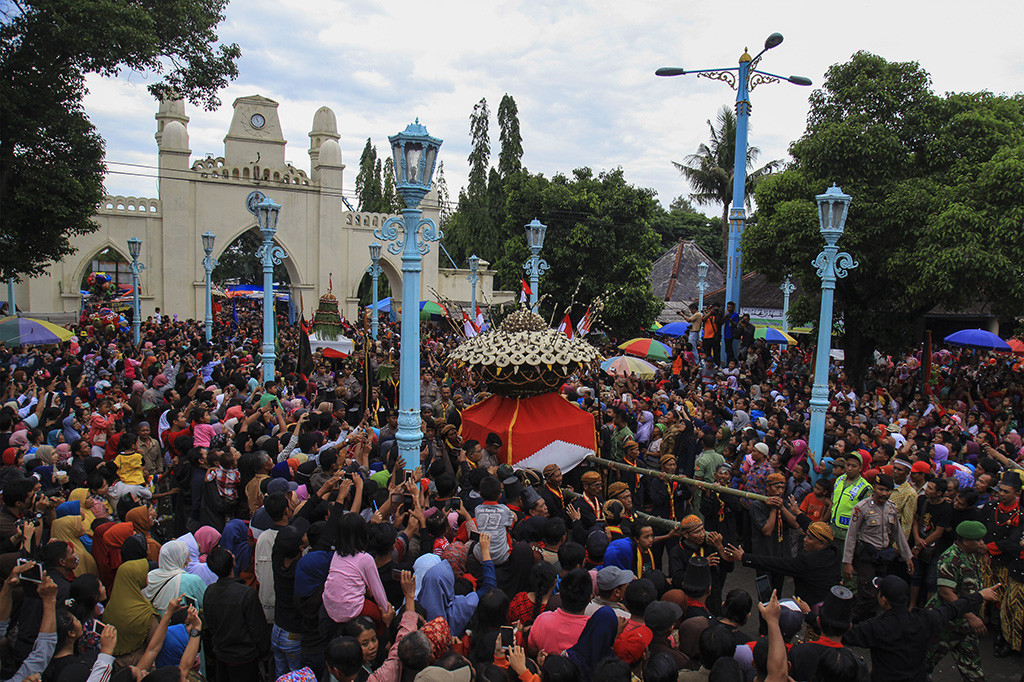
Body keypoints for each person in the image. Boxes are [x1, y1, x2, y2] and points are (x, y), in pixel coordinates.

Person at [842, 575, 1002, 682]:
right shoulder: (924, 620)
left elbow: (841, 634)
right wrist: (979, 596)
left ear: (884, 600)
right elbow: (953, 609)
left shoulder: (875, 627)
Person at [924, 520, 990, 682]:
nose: (982, 543)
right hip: (945, 625)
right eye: (978, 540)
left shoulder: (971, 555)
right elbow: (947, 593)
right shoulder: (950, 559)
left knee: (973, 670)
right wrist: (971, 617)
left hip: (965, 628)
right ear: (966, 541)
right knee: (924, 663)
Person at [842, 474, 914, 622]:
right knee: (867, 592)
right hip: (865, 556)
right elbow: (851, 535)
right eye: (881, 489)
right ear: (874, 488)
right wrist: (848, 562)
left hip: (883, 556)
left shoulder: (891, 508)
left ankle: (869, 622)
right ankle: (851, 623)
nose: (884, 493)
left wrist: (907, 557)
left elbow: (898, 533)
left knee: (878, 592)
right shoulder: (862, 508)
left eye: (888, 490)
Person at [203, 546, 271, 681]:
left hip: (222, 653)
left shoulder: (210, 592)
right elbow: (257, 628)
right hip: (244, 658)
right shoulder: (246, 594)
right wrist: (264, 651)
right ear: (233, 563)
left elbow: (210, 624)